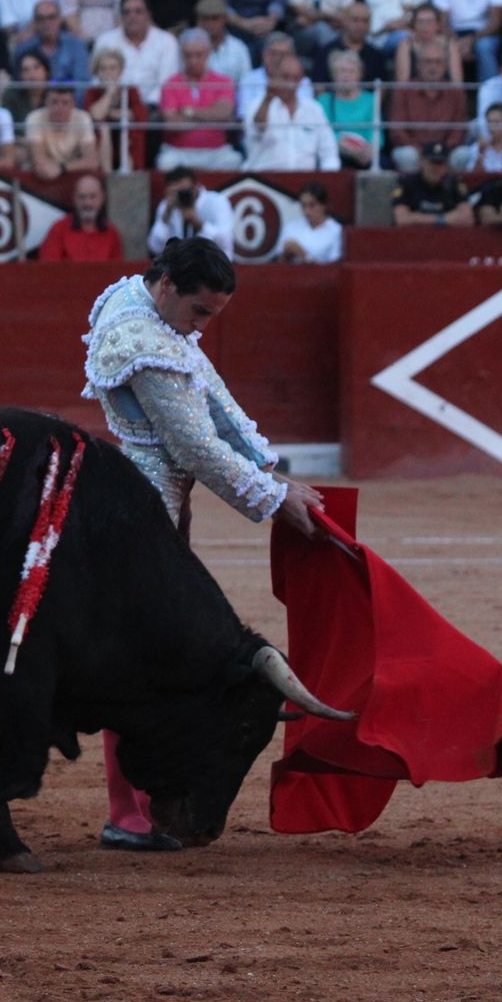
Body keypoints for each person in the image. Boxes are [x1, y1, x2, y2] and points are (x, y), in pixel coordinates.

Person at [80, 237, 322, 852]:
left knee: (146, 656)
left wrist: (270, 469)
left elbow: (211, 399)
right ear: (167, 286)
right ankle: (128, 813)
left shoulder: (150, 311)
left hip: (152, 506)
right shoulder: (141, 340)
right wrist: (270, 497)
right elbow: (192, 446)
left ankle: (137, 808)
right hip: (141, 515)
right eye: (200, 313)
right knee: (138, 659)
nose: (202, 327)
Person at [157, 28, 239, 169]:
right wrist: (209, 117)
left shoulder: (224, 82)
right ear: (182, 55)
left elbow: (224, 114)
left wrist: (189, 112)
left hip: (216, 151)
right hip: (179, 151)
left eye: (198, 55)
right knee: (165, 162)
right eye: (188, 55)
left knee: (233, 160)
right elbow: (173, 124)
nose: (193, 61)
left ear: (208, 54)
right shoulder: (170, 84)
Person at [243, 50, 338, 170]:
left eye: (296, 78)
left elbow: (329, 152)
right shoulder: (255, 105)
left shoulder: (314, 109)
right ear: (273, 75)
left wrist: (329, 180)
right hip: (264, 180)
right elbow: (258, 128)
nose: (291, 83)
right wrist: (268, 99)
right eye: (286, 77)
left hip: (305, 183)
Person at [91, 0, 179, 105]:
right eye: (127, 12)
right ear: (121, 16)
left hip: (155, 109)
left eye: (138, 11)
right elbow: (97, 81)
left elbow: (167, 82)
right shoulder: (105, 40)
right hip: (113, 106)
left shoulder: (166, 41)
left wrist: (142, 107)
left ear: (148, 15)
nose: (132, 16)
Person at [388, 47, 469, 172]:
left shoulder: (456, 93)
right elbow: (397, 130)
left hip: (447, 151)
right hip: (415, 151)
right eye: (428, 62)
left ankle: (452, 190)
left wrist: (443, 150)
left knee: (464, 154)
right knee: (405, 155)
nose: (433, 67)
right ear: (418, 65)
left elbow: (459, 129)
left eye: (438, 62)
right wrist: (421, 152)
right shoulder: (403, 91)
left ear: (445, 66)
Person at [432, 0, 502, 80]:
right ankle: (452, 95)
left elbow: (496, 22)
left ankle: (490, 94)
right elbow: (442, 22)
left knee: (484, 47)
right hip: (453, 32)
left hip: (484, 33)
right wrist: (455, 42)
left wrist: (470, 40)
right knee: (443, 46)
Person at [147, 165, 235, 259]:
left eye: (185, 191)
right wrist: (167, 214)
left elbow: (226, 243)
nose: (182, 196)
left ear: (196, 187)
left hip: (213, 265)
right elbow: (155, 247)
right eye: (177, 192)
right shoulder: (167, 205)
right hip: (179, 266)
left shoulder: (217, 201)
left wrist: (198, 223)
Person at [85, 45, 148, 171]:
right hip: (101, 137)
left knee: (130, 130)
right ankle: (107, 175)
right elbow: (95, 116)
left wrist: (108, 112)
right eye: (103, 68)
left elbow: (138, 114)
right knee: (104, 127)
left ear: (121, 71)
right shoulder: (92, 92)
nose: (108, 72)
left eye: (113, 68)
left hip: (125, 135)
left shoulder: (130, 90)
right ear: (97, 72)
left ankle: (128, 174)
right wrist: (109, 93)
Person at [318, 47, 378, 168]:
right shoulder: (323, 100)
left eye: (351, 71)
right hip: (335, 151)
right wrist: (348, 149)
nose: (346, 76)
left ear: (359, 74)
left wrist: (369, 150)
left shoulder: (371, 100)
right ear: (334, 75)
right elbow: (321, 133)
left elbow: (377, 135)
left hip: (366, 154)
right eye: (342, 71)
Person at [39, 172, 121, 260]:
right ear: (74, 199)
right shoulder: (59, 229)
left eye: (92, 196)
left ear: (102, 198)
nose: (87, 203)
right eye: (82, 197)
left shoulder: (111, 232)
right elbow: (48, 269)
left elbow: (117, 270)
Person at [282, 0, 354, 63]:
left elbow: (347, 10)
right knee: (321, 29)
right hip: (303, 31)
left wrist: (318, 17)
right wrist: (332, 17)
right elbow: (297, 8)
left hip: (337, 27)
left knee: (356, 27)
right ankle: (335, 66)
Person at [391, 140, 475, 225]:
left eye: (440, 163)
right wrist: (445, 219)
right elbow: (402, 219)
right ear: (422, 162)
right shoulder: (406, 183)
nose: (436, 168)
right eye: (432, 162)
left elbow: (467, 218)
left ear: (446, 166)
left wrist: (417, 217)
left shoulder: (454, 183)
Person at [13, 0, 88, 91]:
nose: (46, 23)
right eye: (41, 18)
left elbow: (81, 84)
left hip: (68, 103)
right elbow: (17, 86)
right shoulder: (23, 49)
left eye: (51, 17)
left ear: (60, 19)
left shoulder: (76, 46)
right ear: (35, 22)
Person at [25, 83, 98, 178]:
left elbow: (91, 161)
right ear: (46, 103)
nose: (59, 108)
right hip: (44, 174)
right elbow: (40, 161)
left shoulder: (83, 118)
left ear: (73, 105)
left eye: (65, 103)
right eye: (54, 102)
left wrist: (62, 168)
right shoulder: (34, 118)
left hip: (71, 172)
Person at [309, 0, 386, 85]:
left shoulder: (376, 56)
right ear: (344, 21)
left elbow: (381, 90)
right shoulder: (325, 53)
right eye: (355, 20)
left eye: (365, 21)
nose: (361, 25)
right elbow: (319, 87)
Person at [393, 3, 464, 82]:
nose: (424, 26)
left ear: (438, 25)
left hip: (444, 92)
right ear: (414, 24)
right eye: (420, 22)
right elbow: (402, 83)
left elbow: (457, 82)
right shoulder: (406, 45)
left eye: (429, 22)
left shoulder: (449, 45)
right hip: (413, 92)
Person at [277, 181, 341, 262]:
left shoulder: (336, 230)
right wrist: (286, 254)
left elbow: (334, 267)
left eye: (312, 205)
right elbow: (279, 264)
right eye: (303, 205)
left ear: (323, 205)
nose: (307, 211)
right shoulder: (291, 228)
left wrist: (304, 255)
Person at [194, 0, 252, 82]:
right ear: (198, 21)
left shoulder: (239, 48)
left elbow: (246, 83)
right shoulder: (189, 48)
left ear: (225, 19)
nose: (210, 24)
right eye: (205, 19)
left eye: (215, 18)